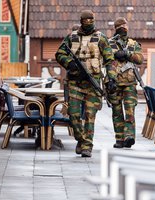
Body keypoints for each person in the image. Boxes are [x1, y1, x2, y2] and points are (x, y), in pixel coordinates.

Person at [55, 10, 117, 157]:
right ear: (81, 21)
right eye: (86, 21)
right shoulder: (72, 37)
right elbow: (59, 53)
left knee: (90, 115)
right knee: (73, 115)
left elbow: (110, 60)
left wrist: (111, 78)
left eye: (91, 21)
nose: (89, 24)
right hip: (75, 83)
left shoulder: (100, 38)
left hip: (93, 83)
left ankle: (87, 146)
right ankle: (81, 140)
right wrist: (69, 63)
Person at [108, 17, 144, 148]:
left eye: (125, 26)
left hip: (129, 82)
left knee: (130, 110)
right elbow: (104, 60)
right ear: (115, 29)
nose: (124, 28)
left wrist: (127, 54)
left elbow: (140, 59)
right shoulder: (108, 43)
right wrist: (115, 55)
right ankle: (119, 139)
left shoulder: (133, 44)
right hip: (114, 82)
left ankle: (129, 137)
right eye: (120, 26)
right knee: (117, 112)